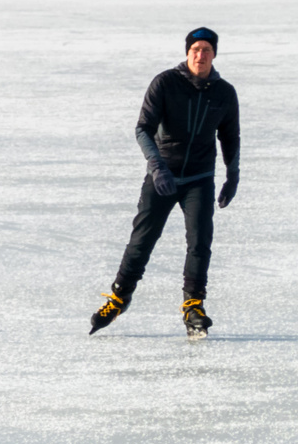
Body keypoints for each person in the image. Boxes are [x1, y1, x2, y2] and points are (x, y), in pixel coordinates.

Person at [89, 27, 240, 338]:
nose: (201, 55)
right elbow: (143, 128)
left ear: (214, 55)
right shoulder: (165, 83)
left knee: (200, 241)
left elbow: (230, 136)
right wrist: (157, 167)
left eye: (207, 50)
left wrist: (232, 174)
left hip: (199, 178)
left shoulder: (224, 92)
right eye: (196, 49)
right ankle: (120, 295)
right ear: (187, 53)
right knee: (142, 239)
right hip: (163, 175)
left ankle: (193, 306)